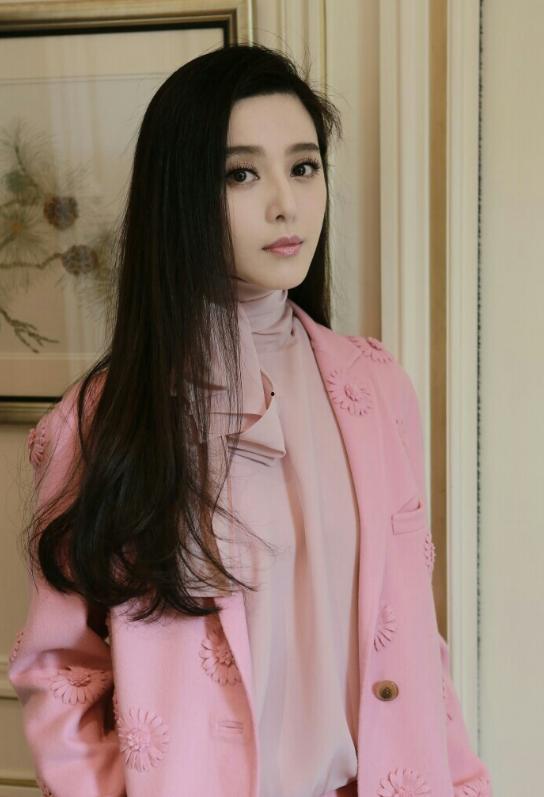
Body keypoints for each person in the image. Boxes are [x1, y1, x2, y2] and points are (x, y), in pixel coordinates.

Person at [8, 43, 493, 797]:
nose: (285, 204)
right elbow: (64, 673)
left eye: (303, 167)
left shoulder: (377, 386)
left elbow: (414, 641)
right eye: (241, 174)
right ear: (180, 193)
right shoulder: (104, 418)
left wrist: (462, 781)